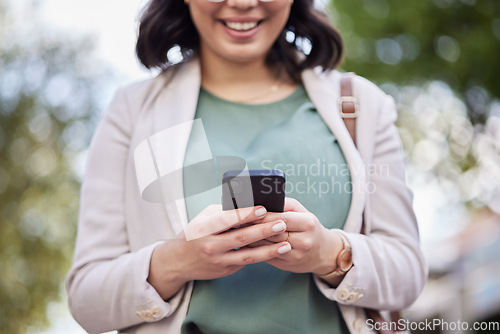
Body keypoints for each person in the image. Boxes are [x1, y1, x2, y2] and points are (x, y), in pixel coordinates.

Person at [66, 0, 428, 332]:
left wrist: (329, 254)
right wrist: (177, 261)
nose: (241, 3)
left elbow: (408, 272)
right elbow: (87, 298)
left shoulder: (361, 105)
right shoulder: (131, 112)